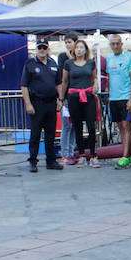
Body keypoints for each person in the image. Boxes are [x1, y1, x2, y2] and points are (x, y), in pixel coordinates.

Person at [20, 39, 63, 173]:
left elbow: (59, 83)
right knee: (35, 135)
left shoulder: (53, 63)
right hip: (37, 104)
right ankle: (33, 161)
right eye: (40, 48)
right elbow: (24, 85)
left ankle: (51, 161)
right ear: (36, 49)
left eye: (44, 47)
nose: (42, 50)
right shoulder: (30, 64)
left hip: (51, 103)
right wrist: (28, 104)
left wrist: (60, 99)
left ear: (48, 49)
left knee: (51, 134)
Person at [59, 40, 100, 168]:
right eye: (78, 48)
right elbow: (64, 82)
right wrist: (61, 99)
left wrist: (96, 85)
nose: (80, 50)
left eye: (82, 47)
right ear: (74, 50)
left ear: (85, 50)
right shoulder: (68, 63)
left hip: (88, 96)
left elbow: (94, 78)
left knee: (91, 126)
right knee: (77, 127)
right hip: (73, 97)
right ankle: (81, 155)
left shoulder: (90, 63)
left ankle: (93, 155)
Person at [107, 34, 131, 169]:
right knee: (120, 126)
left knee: (127, 126)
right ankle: (128, 154)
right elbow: (109, 78)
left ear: (121, 44)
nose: (115, 46)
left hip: (125, 97)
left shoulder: (129, 57)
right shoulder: (109, 58)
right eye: (112, 44)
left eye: (117, 43)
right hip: (113, 98)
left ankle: (125, 156)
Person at [57, 32, 78, 164]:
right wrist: (61, 98)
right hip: (66, 97)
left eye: (69, 42)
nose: (67, 45)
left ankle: (72, 152)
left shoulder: (81, 57)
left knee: (75, 125)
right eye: (66, 43)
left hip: (77, 96)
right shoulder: (62, 57)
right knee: (66, 125)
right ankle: (64, 153)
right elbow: (61, 78)